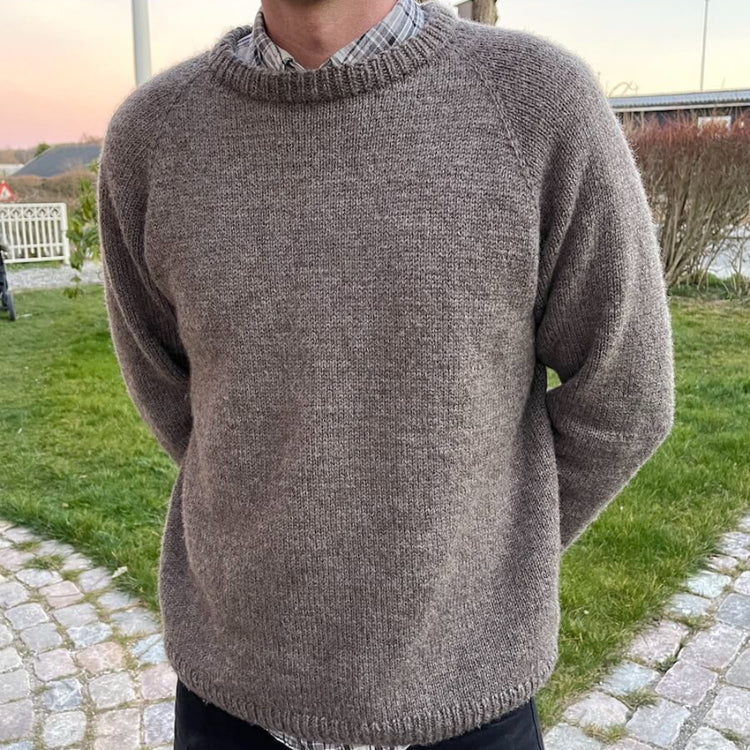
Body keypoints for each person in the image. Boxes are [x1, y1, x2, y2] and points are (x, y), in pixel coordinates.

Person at [96, 0, 675, 748]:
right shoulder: (152, 137)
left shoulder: (536, 103)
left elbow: (626, 396)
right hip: (231, 696)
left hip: (467, 698)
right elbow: (168, 391)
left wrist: (484, 551)